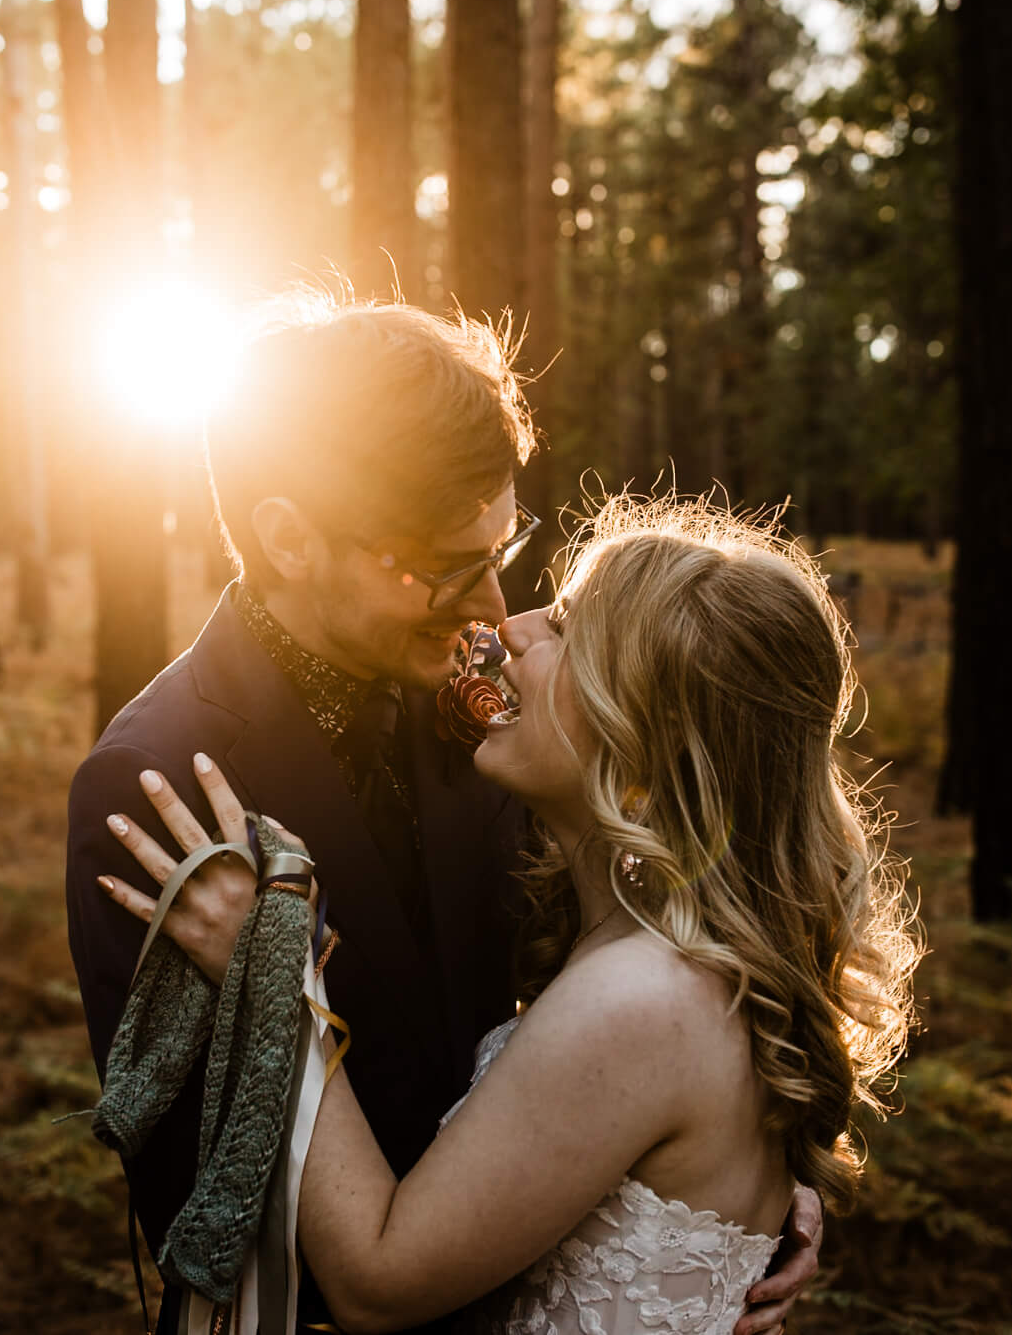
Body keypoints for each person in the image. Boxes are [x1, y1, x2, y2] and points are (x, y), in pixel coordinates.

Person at [64, 296, 825, 1335]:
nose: (485, 613)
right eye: (446, 566)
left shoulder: (500, 721)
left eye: (500, 552)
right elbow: (207, 1201)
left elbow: (622, 997)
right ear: (288, 537)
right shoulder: (159, 781)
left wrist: (720, 1197)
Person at [99, 496, 922, 1335]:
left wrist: (273, 973)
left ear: (641, 745)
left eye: (567, 631)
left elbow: (378, 1284)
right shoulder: (669, 950)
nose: (514, 624)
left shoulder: (639, 997)